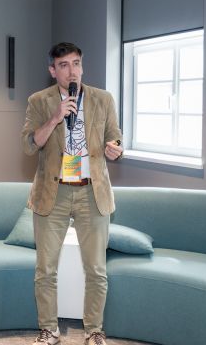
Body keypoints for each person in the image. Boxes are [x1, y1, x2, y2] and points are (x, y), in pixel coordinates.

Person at [21, 42, 123, 345]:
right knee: (45, 269)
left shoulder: (103, 99)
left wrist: (115, 149)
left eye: (76, 63)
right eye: (63, 65)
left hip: (92, 192)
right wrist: (55, 118)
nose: (71, 71)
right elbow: (29, 145)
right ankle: (49, 329)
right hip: (54, 193)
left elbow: (115, 138)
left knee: (96, 269)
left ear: (82, 66)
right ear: (53, 70)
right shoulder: (39, 101)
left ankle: (94, 331)